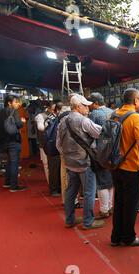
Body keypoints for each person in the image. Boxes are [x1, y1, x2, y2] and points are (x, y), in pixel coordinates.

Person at [56, 94, 104, 230]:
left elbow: (58, 144)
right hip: (84, 163)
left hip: (70, 163)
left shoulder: (62, 121)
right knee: (89, 192)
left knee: (71, 191)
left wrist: (67, 156)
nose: (88, 108)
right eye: (85, 106)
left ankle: (69, 219)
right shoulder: (83, 121)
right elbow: (100, 133)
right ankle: (88, 222)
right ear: (78, 107)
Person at [110, 88, 139, 247]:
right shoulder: (135, 118)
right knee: (131, 204)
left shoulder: (114, 114)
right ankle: (129, 237)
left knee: (118, 202)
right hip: (131, 167)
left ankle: (116, 237)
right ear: (135, 100)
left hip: (115, 165)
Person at [88, 92, 114, 219]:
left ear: (95, 103)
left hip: (101, 150)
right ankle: (109, 206)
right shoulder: (112, 111)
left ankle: (104, 210)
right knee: (110, 180)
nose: (89, 106)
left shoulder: (94, 114)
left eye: (90, 104)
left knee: (102, 181)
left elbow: (90, 133)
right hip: (114, 150)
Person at [0, 94, 26, 192]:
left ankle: (7, 182)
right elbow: (18, 124)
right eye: (16, 102)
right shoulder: (14, 111)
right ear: (9, 103)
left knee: (9, 162)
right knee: (14, 162)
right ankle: (14, 186)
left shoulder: (0, 111)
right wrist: (22, 122)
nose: (18, 104)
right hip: (13, 140)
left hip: (3, 141)